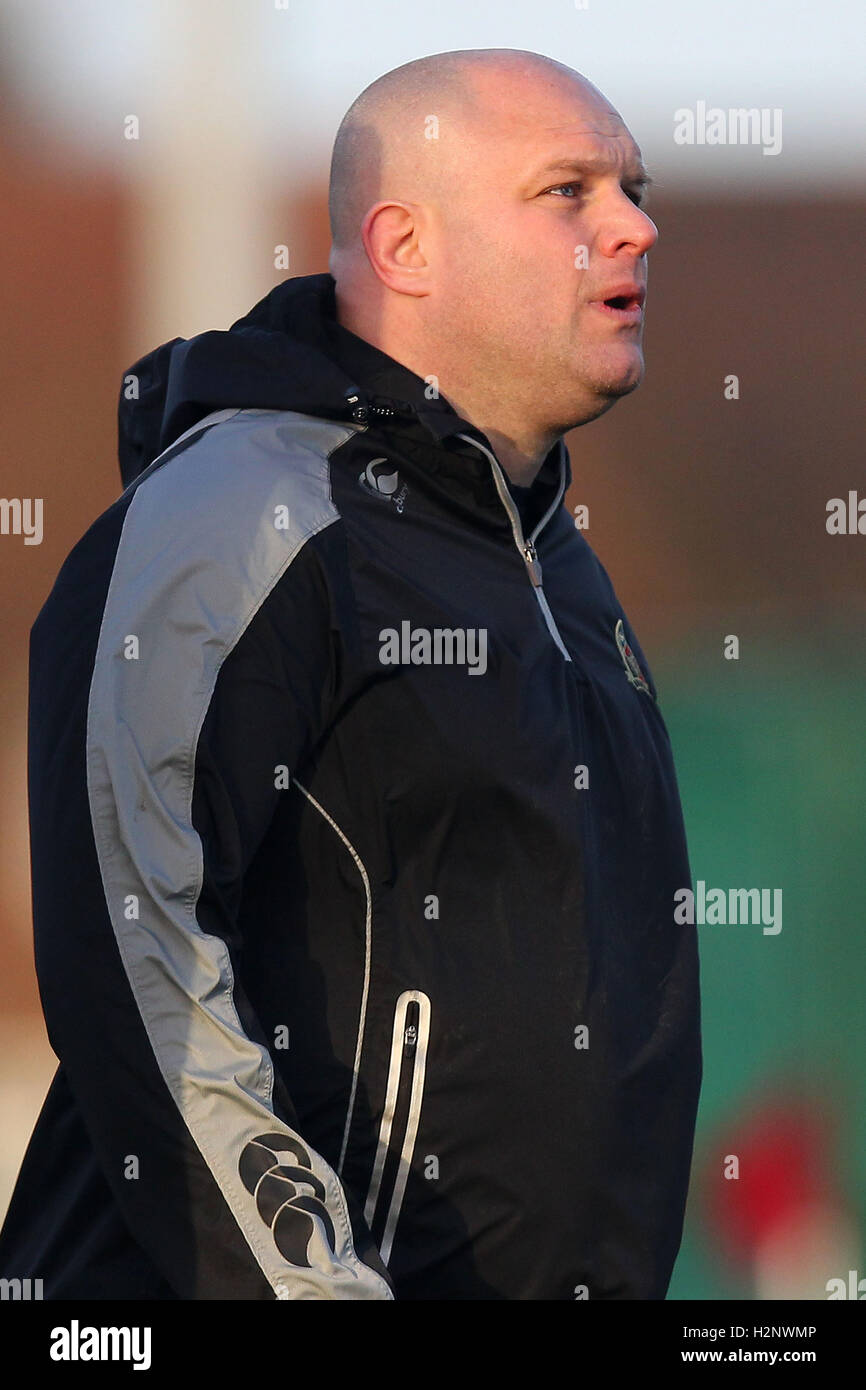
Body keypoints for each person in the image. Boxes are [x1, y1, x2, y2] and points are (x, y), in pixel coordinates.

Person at [0, 47, 701, 1300]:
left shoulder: (558, 568)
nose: (635, 227)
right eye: (568, 191)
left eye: (632, 187)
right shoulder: (241, 516)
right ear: (403, 244)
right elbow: (138, 948)